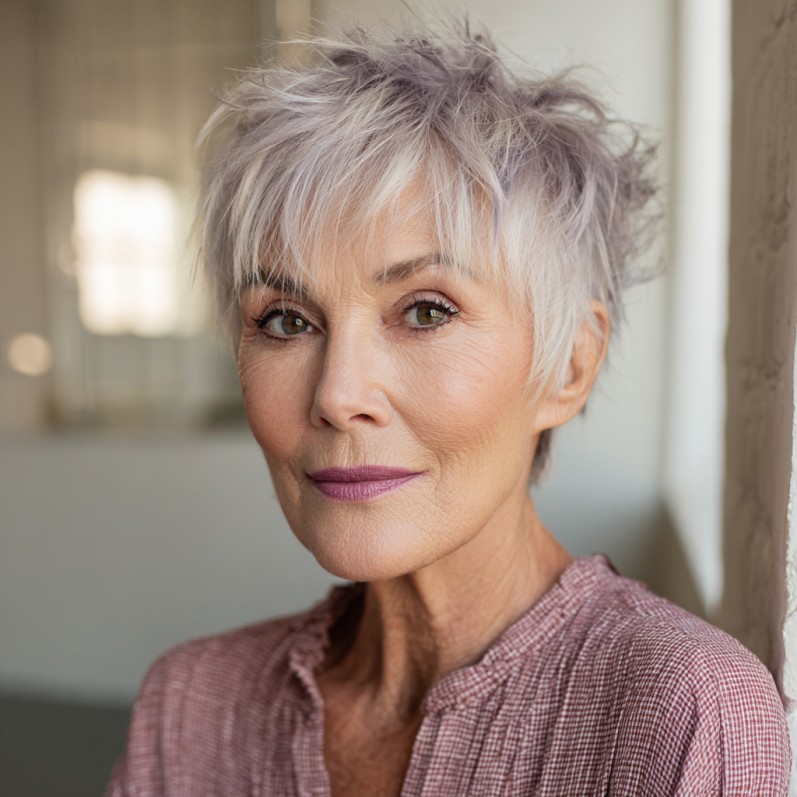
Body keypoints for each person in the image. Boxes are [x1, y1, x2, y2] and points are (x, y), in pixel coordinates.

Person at [105, 21, 791, 797]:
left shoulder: (685, 712)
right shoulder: (189, 708)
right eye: (287, 320)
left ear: (568, 365)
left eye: (426, 310)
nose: (337, 395)